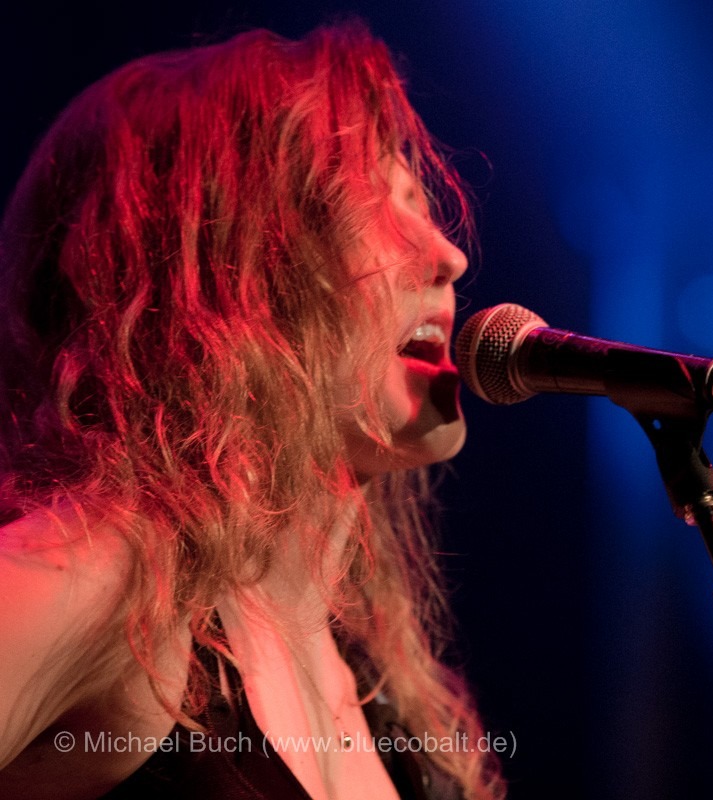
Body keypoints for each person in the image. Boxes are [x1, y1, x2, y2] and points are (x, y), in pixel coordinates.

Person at [0, 22, 504, 800]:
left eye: (421, 206)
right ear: (230, 267)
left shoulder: (383, 699)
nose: (447, 255)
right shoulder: (116, 578)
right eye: (376, 207)